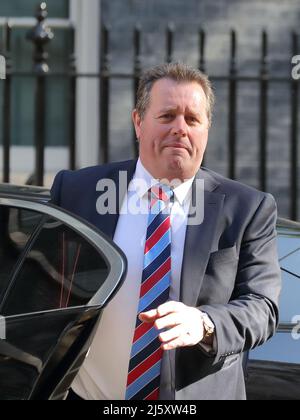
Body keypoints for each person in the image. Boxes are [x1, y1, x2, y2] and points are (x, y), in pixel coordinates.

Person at [51, 62, 281, 400]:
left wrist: (205, 324)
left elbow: (262, 307)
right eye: (167, 116)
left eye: (192, 119)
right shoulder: (78, 192)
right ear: (138, 123)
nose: (180, 129)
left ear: (207, 128)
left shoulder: (247, 209)